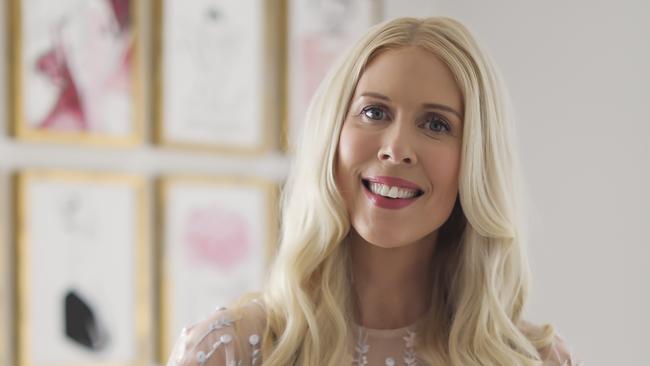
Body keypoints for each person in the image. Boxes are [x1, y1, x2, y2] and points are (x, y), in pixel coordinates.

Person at [166, 17, 582, 366]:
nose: (397, 149)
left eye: (436, 124)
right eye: (374, 112)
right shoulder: (230, 351)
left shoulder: (533, 359)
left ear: (476, 160)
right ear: (333, 134)